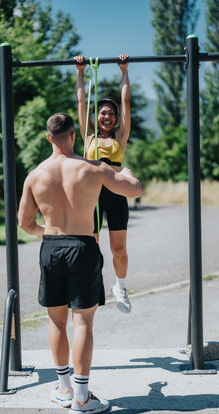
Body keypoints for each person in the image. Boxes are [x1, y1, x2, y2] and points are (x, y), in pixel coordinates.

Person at [18, 113, 142, 414]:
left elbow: (24, 222)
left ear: (49, 137)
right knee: (82, 322)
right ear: (74, 136)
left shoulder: (35, 175)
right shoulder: (93, 168)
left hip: (52, 247)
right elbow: (134, 190)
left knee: (56, 322)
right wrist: (126, 172)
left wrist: (46, 233)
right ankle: (82, 397)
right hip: (83, 247)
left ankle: (64, 389)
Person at [75, 54, 133, 314]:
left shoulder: (121, 136)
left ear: (116, 118)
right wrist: (80, 72)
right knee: (92, 248)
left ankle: (120, 287)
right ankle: (92, 285)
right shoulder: (88, 136)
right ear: (96, 117)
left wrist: (124, 71)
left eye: (111, 113)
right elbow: (80, 101)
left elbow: (126, 101)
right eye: (102, 113)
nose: (107, 116)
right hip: (92, 197)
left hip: (116, 194)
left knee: (119, 249)